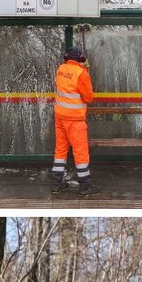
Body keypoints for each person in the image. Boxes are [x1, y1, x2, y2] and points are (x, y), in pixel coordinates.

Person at [52, 46, 99, 196]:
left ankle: (57, 184)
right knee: (80, 152)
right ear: (80, 59)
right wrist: (86, 69)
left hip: (60, 117)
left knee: (60, 150)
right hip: (75, 120)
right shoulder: (81, 73)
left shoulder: (60, 69)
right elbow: (89, 97)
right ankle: (85, 185)